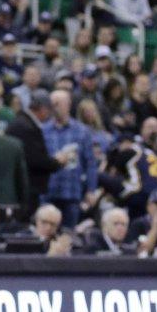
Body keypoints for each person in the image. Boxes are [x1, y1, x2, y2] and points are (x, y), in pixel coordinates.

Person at [42, 90, 97, 228]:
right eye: (52, 104)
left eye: (58, 104)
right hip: (48, 190)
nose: (54, 107)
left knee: (69, 235)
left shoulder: (82, 131)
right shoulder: (42, 130)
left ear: (68, 105)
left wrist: (91, 190)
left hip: (71, 191)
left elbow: (90, 163)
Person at [5, 90, 64, 214]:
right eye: (49, 111)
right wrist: (57, 162)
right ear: (42, 109)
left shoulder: (23, 123)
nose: (49, 115)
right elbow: (33, 159)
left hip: (25, 187)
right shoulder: (25, 126)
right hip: (26, 188)